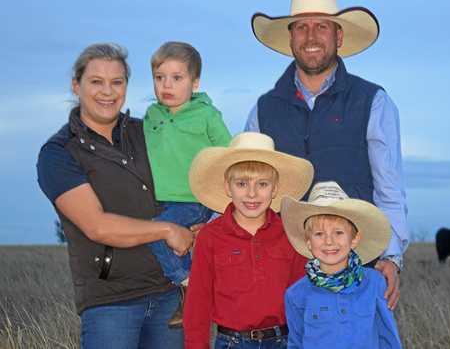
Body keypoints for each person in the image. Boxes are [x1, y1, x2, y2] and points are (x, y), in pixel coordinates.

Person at [245, 0, 408, 308]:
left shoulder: (373, 102)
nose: (311, 36)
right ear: (290, 38)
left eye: (322, 26)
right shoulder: (263, 109)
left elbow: (389, 187)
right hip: (281, 268)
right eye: (302, 27)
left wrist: (391, 256)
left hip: (357, 264)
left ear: (339, 37)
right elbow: (247, 186)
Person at [36, 43, 193, 348]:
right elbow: (97, 225)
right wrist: (168, 229)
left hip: (169, 293)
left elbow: (181, 187)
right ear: (76, 85)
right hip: (111, 302)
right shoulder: (58, 153)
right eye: (96, 81)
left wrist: (195, 224)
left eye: (117, 82)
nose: (107, 92)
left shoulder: (150, 132)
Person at [183, 132, 314, 348]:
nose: (251, 194)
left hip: (284, 340)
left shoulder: (290, 234)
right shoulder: (210, 236)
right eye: (242, 183)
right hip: (231, 342)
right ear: (228, 187)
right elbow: (198, 300)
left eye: (262, 184)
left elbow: (302, 297)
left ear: (275, 188)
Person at [144, 41, 232, 327]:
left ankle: (192, 287)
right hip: (158, 199)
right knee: (144, 234)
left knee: (158, 233)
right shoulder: (151, 116)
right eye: (160, 78)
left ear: (194, 83)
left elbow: (228, 156)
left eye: (177, 78)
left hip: (192, 198)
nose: (166, 85)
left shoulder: (207, 115)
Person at [282, 181, 402, 348]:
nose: (329, 241)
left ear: (354, 239)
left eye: (338, 232)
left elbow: (388, 338)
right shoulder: (296, 294)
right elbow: (296, 343)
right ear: (308, 242)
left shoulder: (375, 283)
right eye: (319, 234)